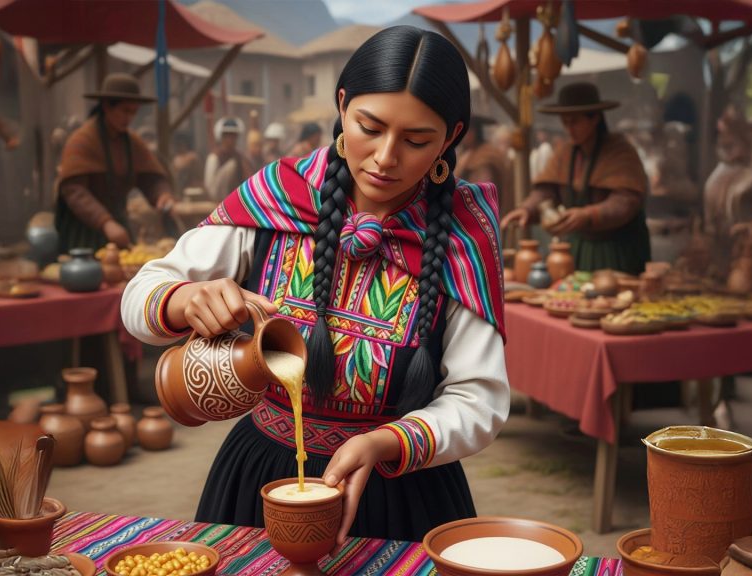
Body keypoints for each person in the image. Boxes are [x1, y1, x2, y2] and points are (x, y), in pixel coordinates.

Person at [122, 26, 509, 544]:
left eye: (417, 141)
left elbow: (479, 399)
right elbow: (140, 295)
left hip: (402, 494)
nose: (385, 157)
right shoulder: (278, 196)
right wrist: (184, 298)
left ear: (452, 137)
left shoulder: (464, 234)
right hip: (259, 479)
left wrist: (388, 442)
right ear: (342, 105)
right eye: (369, 127)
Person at [505, 82, 650, 275]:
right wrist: (527, 209)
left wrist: (588, 215)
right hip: (578, 249)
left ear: (595, 118)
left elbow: (626, 201)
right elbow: (546, 191)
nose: (569, 129)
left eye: (574, 122)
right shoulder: (564, 152)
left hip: (617, 251)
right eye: (565, 122)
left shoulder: (620, 151)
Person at [55, 74, 173, 251]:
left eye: (133, 112)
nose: (129, 118)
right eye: (125, 111)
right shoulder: (82, 140)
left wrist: (162, 195)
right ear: (106, 107)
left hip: (118, 220)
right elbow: (74, 190)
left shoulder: (132, 142)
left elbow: (150, 177)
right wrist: (105, 222)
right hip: (82, 228)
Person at [456, 115, 514, 215]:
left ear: (475, 133)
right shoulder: (464, 154)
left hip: (481, 211)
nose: (464, 136)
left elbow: (483, 189)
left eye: (467, 132)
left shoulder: (487, 155)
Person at [203, 117, 252, 202]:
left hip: (236, 197)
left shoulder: (239, 156)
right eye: (227, 135)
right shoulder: (214, 157)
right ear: (222, 137)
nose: (230, 139)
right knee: (232, 165)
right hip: (218, 198)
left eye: (233, 136)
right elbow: (209, 186)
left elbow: (247, 176)